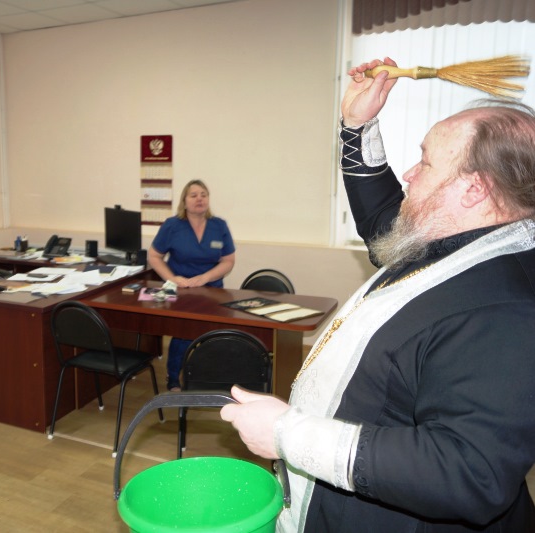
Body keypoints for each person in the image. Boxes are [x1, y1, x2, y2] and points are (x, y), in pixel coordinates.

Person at [220, 57, 535, 532]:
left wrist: (288, 434)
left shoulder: (507, 310)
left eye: (425, 162)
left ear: (474, 190)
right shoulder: (458, 240)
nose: (410, 173)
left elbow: (468, 473)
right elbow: (383, 221)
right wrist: (357, 125)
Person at [148, 179, 236, 390]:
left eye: (203, 195)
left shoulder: (219, 225)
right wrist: (172, 279)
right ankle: (173, 377)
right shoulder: (172, 225)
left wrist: (205, 277)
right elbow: (154, 256)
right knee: (183, 332)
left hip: (211, 290)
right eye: (194, 195)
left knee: (212, 333)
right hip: (181, 290)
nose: (199, 199)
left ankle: (209, 376)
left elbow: (228, 261)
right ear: (184, 201)